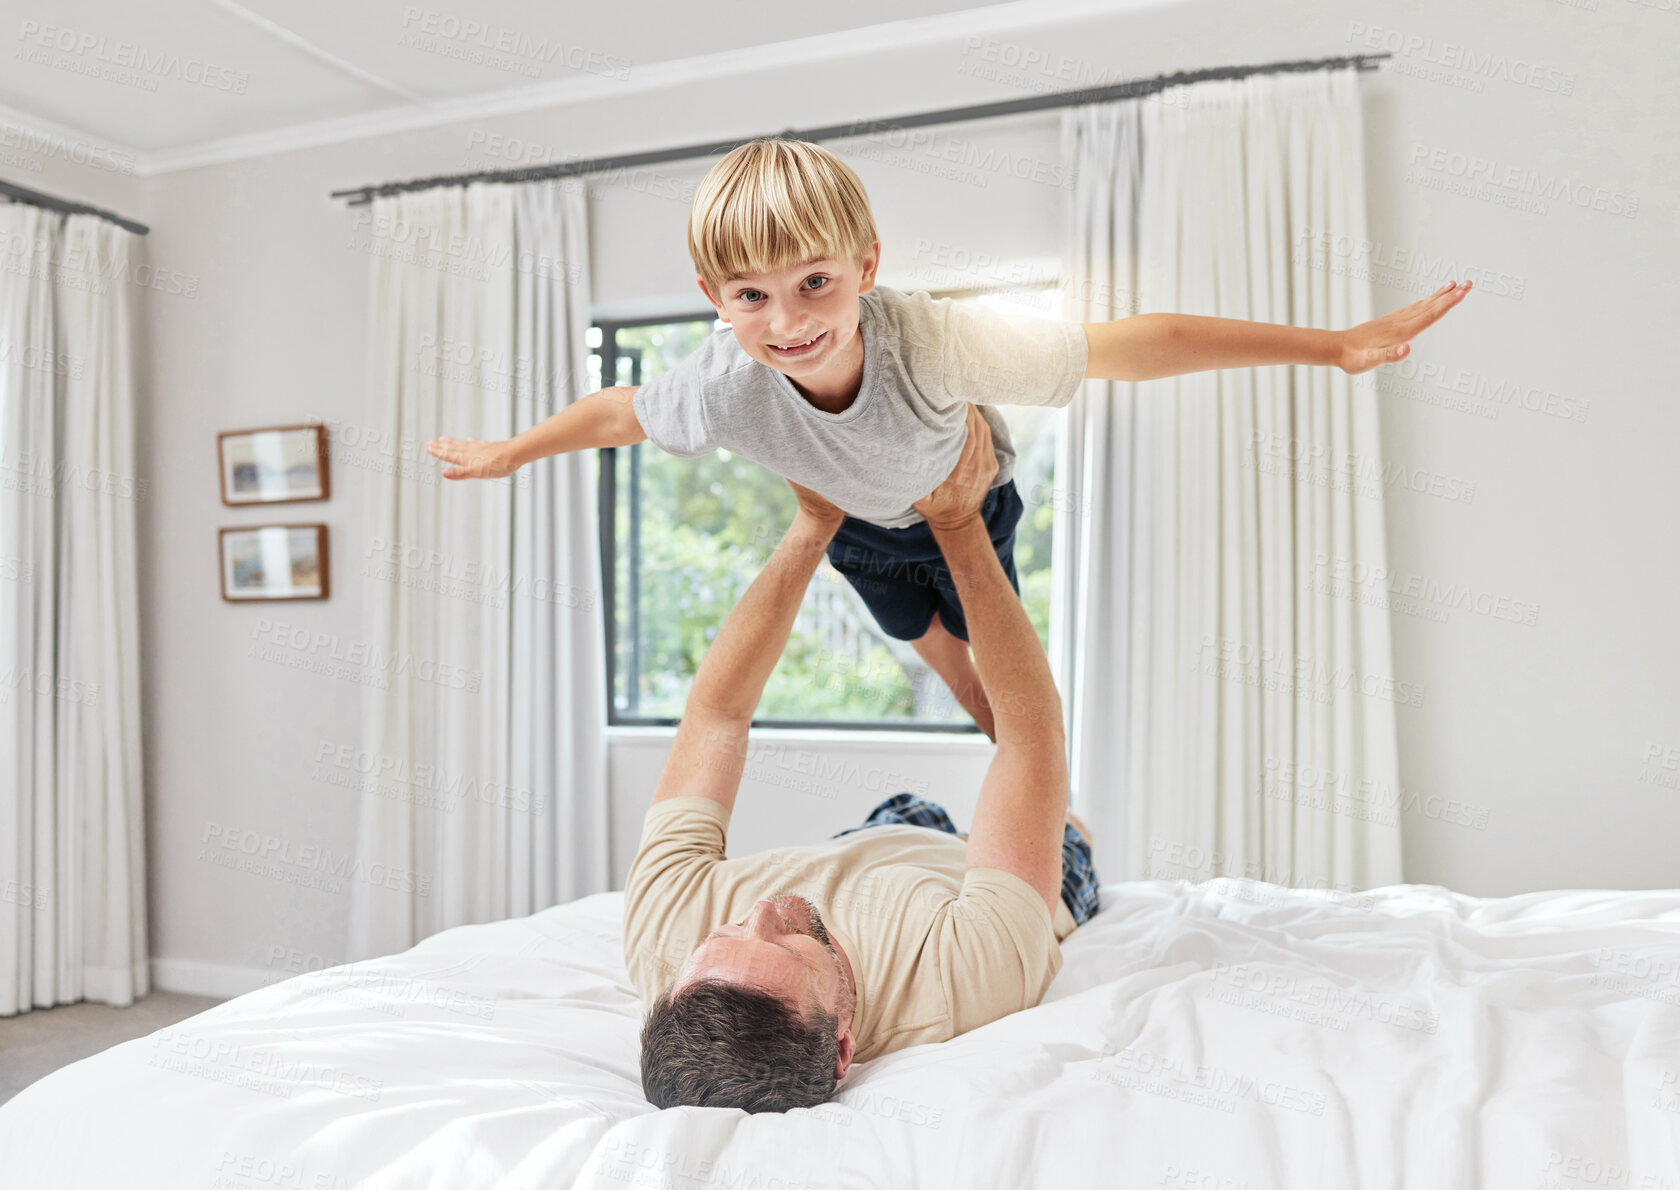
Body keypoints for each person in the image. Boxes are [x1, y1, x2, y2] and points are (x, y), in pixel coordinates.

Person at [426, 138, 1471, 738]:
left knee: (1004, 676)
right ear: (714, 296)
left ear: (866, 264)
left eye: (815, 283)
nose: (788, 319)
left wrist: (1333, 345)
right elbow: (617, 411)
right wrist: (507, 451)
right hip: (859, 534)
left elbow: (1134, 344)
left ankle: (1043, 796)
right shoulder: (727, 377)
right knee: (941, 664)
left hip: (966, 500)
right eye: (752, 294)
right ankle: (1004, 748)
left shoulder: (929, 339)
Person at [622, 406, 1098, 1112]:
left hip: (878, 840)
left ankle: (931, 645)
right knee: (1052, 798)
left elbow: (717, 714)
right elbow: (1033, 737)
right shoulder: (963, 980)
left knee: (903, 809)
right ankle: (940, 646)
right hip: (973, 892)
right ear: (842, 1042)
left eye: (725, 937)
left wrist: (812, 524)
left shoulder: (664, 934)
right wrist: (961, 525)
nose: (759, 914)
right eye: (785, 948)